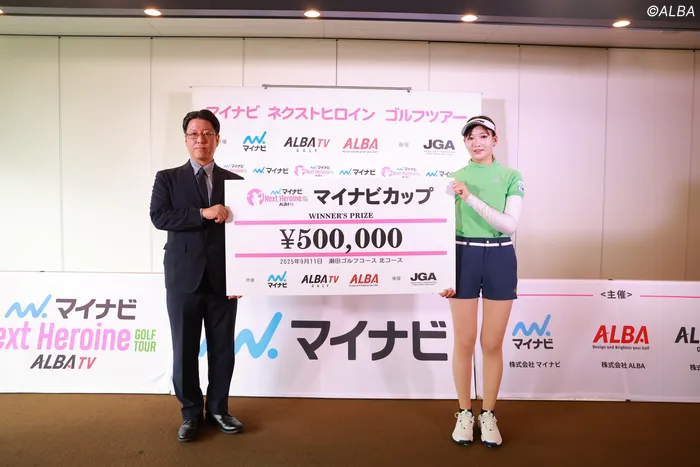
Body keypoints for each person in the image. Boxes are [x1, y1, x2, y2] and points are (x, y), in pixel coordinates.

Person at [149, 109, 245, 442]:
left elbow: (244, 235)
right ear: (186, 140)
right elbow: (160, 217)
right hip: (183, 280)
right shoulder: (167, 178)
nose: (200, 140)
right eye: (194, 134)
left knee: (223, 350)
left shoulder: (236, 182)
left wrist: (242, 277)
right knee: (184, 350)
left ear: (217, 139)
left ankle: (219, 409)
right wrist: (203, 213)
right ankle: (190, 413)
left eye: (207, 134)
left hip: (223, 281)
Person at [439, 115, 524, 448]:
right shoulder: (452, 178)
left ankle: (487, 414)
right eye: (471, 137)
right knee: (464, 340)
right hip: (462, 256)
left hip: (500, 257)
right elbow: (436, 228)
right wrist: (440, 271)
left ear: (494, 140)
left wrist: (470, 198)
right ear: (465, 142)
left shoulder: (511, 176)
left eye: (483, 136)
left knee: (491, 343)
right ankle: (464, 412)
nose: (477, 142)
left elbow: (509, 225)